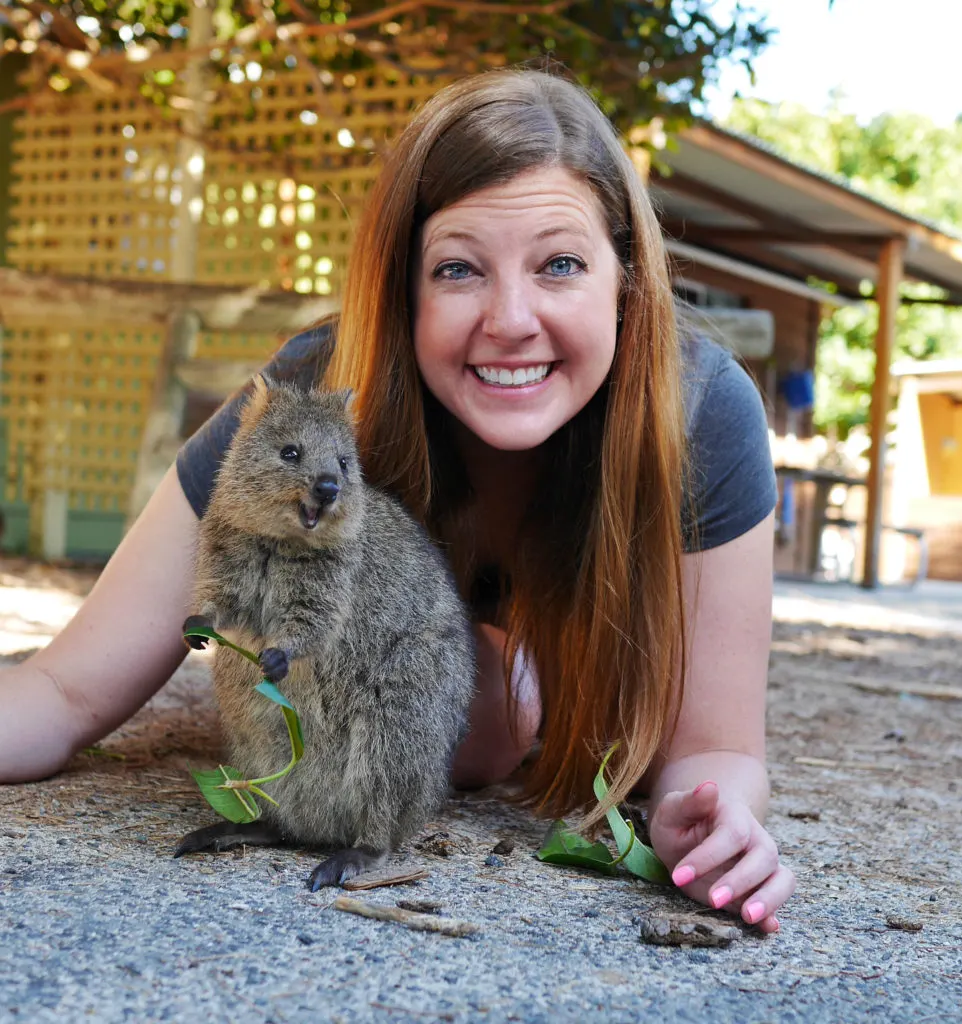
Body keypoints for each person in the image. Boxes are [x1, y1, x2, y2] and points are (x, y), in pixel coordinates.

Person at [0, 69, 794, 930]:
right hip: (391, 671)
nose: (510, 318)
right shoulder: (314, 398)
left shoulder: (699, 411)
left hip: (554, 659)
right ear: (404, 288)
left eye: (560, 264)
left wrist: (716, 818)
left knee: (496, 714)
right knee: (485, 718)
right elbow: (65, 690)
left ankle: (516, 684)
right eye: (458, 269)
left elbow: (716, 747)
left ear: (625, 276)